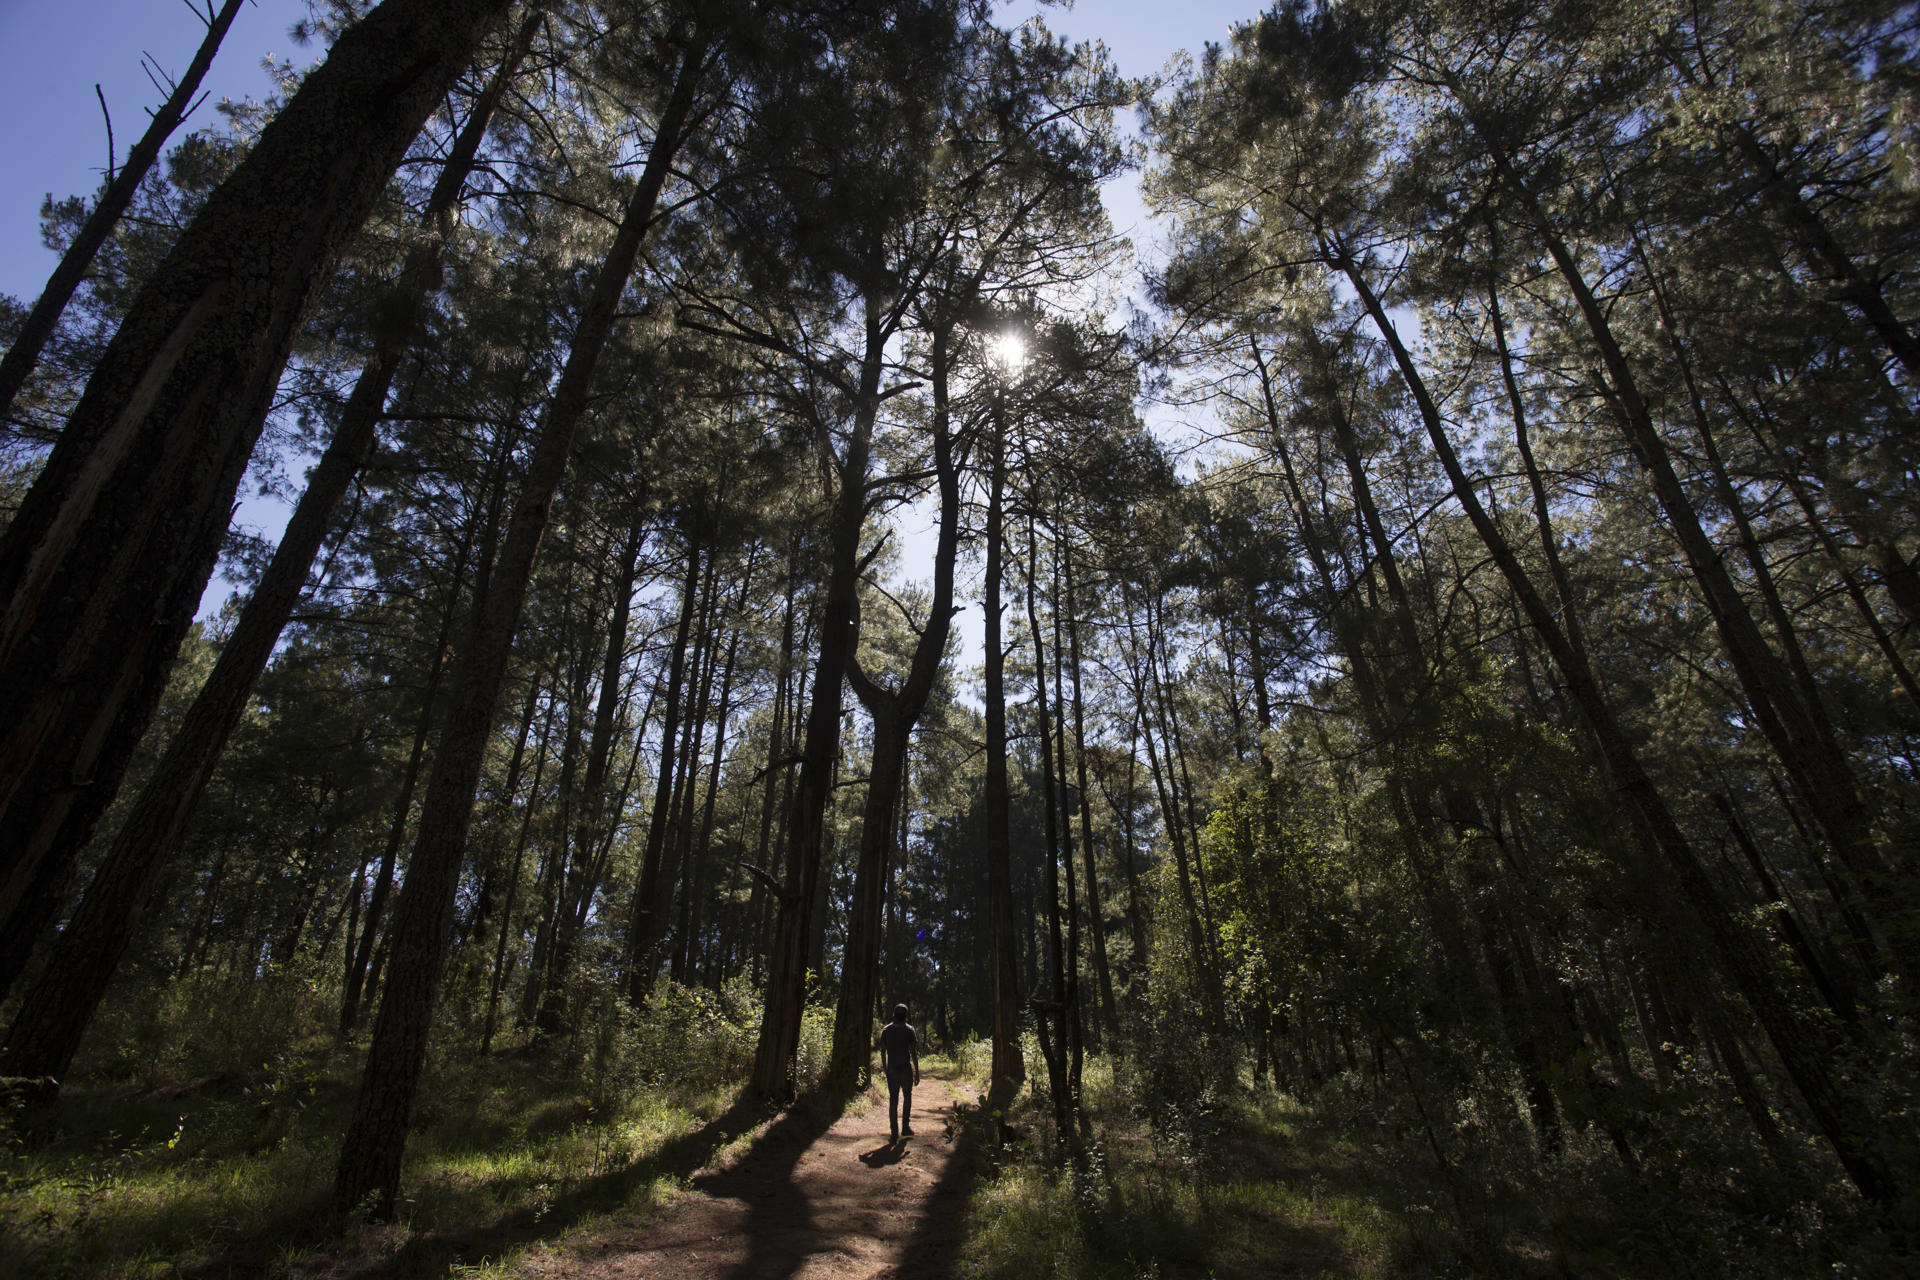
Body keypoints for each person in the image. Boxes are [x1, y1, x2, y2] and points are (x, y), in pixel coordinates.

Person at [878, 1002, 920, 1140]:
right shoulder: (909, 1030)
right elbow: (913, 1052)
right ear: (906, 1016)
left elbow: (882, 1050)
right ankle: (905, 1127)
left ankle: (894, 1132)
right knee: (907, 1096)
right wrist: (917, 1071)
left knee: (893, 1100)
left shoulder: (886, 1030)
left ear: (894, 1015)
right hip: (906, 1069)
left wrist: (885, 1067)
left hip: (892, 1069)